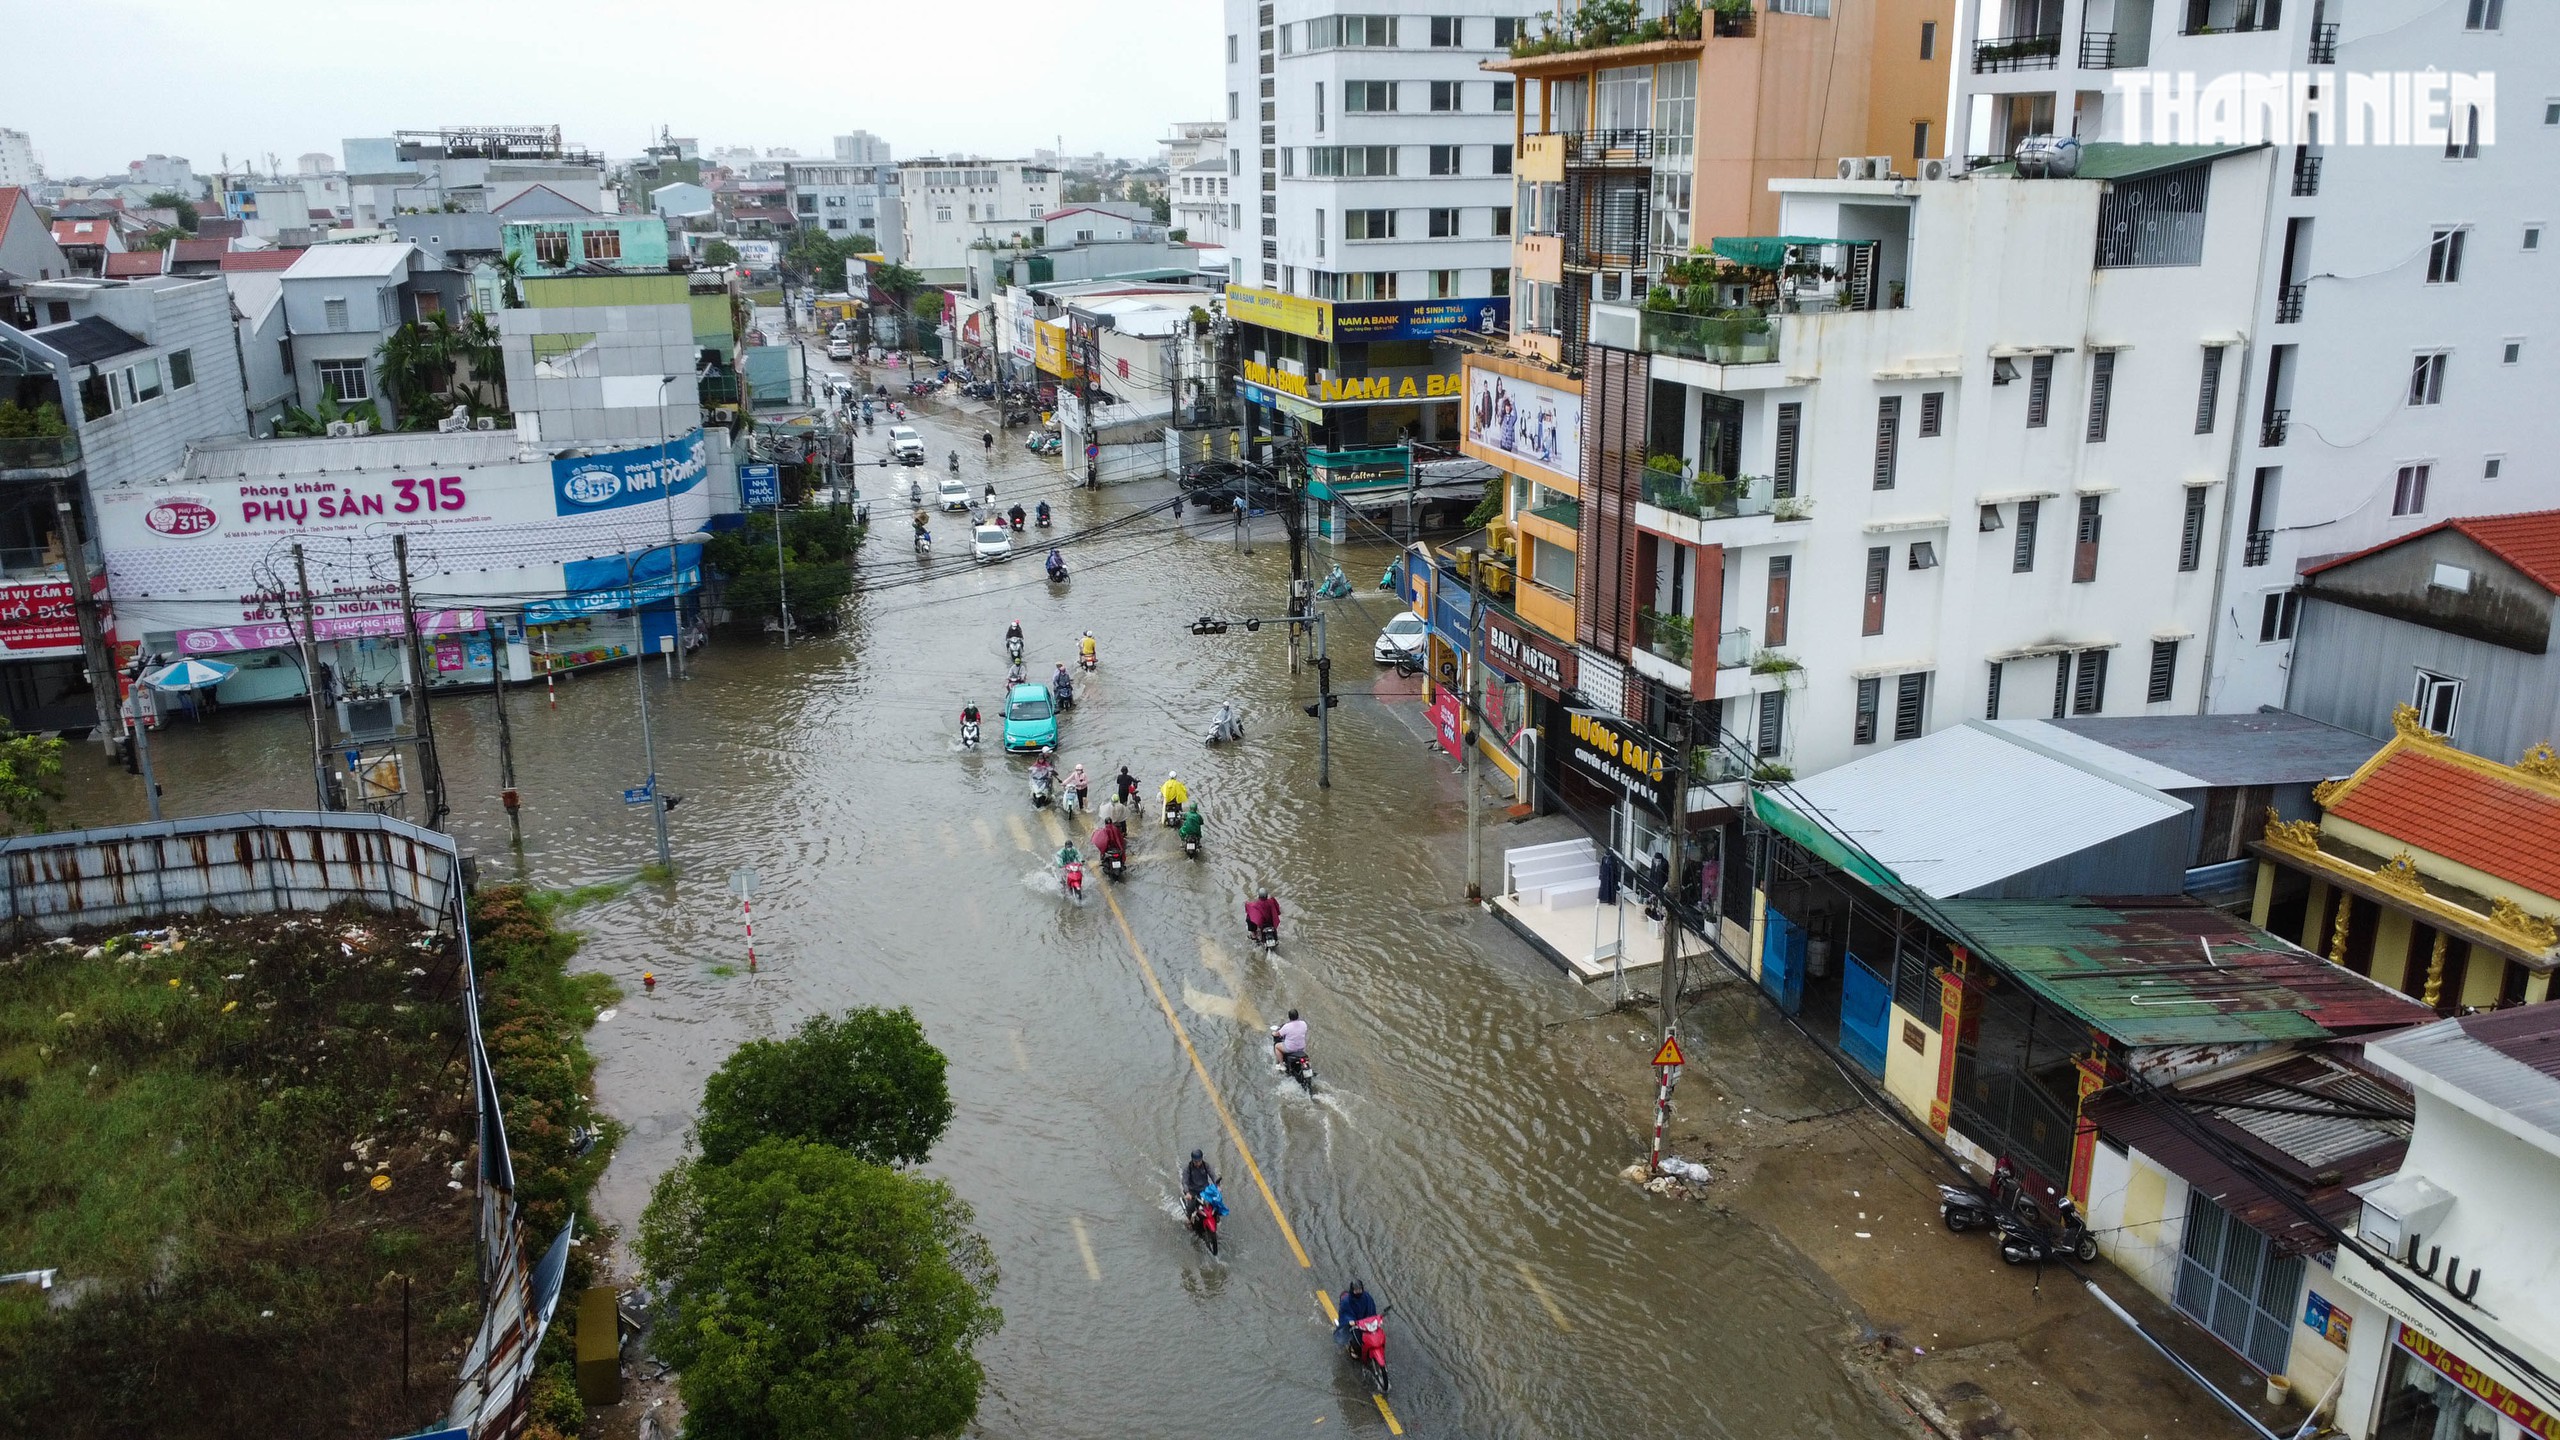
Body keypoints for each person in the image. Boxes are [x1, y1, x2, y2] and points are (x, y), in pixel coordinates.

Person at [1335, 1280, 1378, 1345]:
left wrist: (1373, 1318)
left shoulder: (1367, 1297)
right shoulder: (1346, 1302)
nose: (1358, 1292)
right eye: (1356, 1290)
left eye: (1360, 1290)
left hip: (1365, 1323)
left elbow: (1371, 1308)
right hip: (1355, 1324)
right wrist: (1351, 1321)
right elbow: (1345, 1314)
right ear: (1352, 1290)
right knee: (1353, 1338)